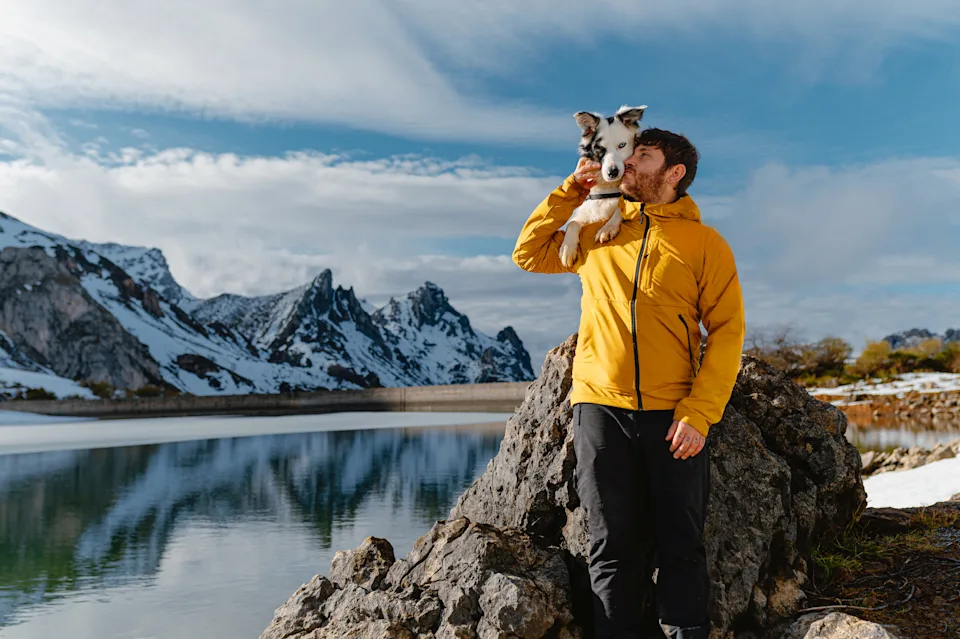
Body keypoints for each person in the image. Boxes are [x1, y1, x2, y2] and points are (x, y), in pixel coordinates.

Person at [512, 129, 745, 639]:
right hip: (600, 409)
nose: (628, 163)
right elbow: (529, 253)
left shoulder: (705, 244)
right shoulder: (600, 230)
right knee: (610, 544)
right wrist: (572, 190)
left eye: (643, 156)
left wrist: (699, 412)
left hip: (673, 417)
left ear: (675, 173)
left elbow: (727, 331)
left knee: (681, 543)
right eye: (628, 154)